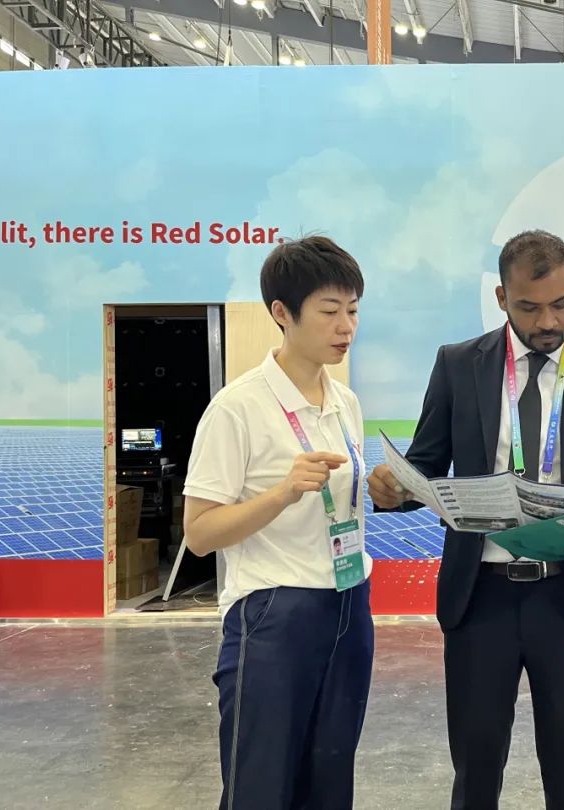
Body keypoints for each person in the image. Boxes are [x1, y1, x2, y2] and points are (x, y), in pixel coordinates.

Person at [368, 230, 564, 810]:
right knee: (475, 769)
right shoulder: (458, 365)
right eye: (529, 307)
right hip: (479, 600)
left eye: (562, 303)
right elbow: (425, 466)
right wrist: (394, 490)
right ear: (501, 298)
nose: (548, 322)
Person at [182, 236, 374, 810]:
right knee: (261, 785)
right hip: (273, 613)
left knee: (330, 780)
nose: (346, 327)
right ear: (282, 313)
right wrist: (282, 492)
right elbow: (199, 533)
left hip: (349, 603)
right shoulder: (237, 407)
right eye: (330, 311)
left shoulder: (345, 402)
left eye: (353, 310)